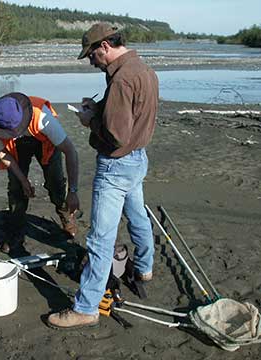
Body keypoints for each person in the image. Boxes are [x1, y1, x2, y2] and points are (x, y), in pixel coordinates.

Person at [48, 23, 159, 329]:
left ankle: (86, 308)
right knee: (137, 216)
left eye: (91, 55)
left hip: (116, 165)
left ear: (105, 46)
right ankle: (145, 268)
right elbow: (134, 117)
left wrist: (89, 121)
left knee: (100, 239)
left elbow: (117, 136)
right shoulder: (144, 70)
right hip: (138, 160)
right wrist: (100, 109)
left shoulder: (122, 79)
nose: (90, 61)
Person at [0, 92, 79, 254]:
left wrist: (73, 191)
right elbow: (3, 154)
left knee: (56, 183)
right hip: (17, 148)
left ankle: (65, 213)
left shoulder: (43, 117)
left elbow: (70, 151)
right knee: (16, 188)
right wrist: (23, 181)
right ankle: (16, 230)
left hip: (45, 141)